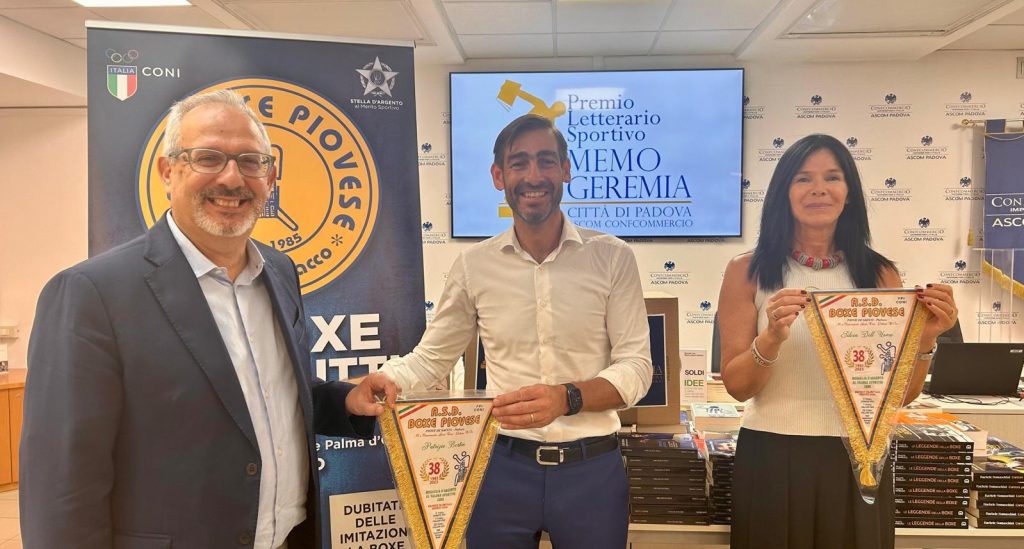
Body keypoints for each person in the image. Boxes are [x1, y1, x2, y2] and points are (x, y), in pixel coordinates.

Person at [19, 89, 390, 549]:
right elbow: (61, 486)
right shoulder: (90, 293)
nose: (232, 178)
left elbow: (268, 395)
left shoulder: (278, 272)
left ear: (270, 178)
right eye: (208, 158)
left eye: (251, 162)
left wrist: (345, 401)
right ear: (167, 171)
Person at [348, 114, 653, 548]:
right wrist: (386, 378)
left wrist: (567, 397)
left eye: (546, 161)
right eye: (519, 163)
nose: (534, 176)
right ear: (498, 176)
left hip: (592, 471)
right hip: (499, 469)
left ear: (566, 170)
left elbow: (637, 367)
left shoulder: (612, 258)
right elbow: (433, 357)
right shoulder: (474, 266)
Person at [717, 134, 958, 549]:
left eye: (832, 177)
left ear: (849, 193)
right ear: (782, 192)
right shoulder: (747, 271)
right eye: (803, 178)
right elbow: (737, 387)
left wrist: (925, 339)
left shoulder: (881, 275)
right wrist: (771, 339)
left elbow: (897, 397)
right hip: (772, 454)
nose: (819, 189)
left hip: (859, 457)